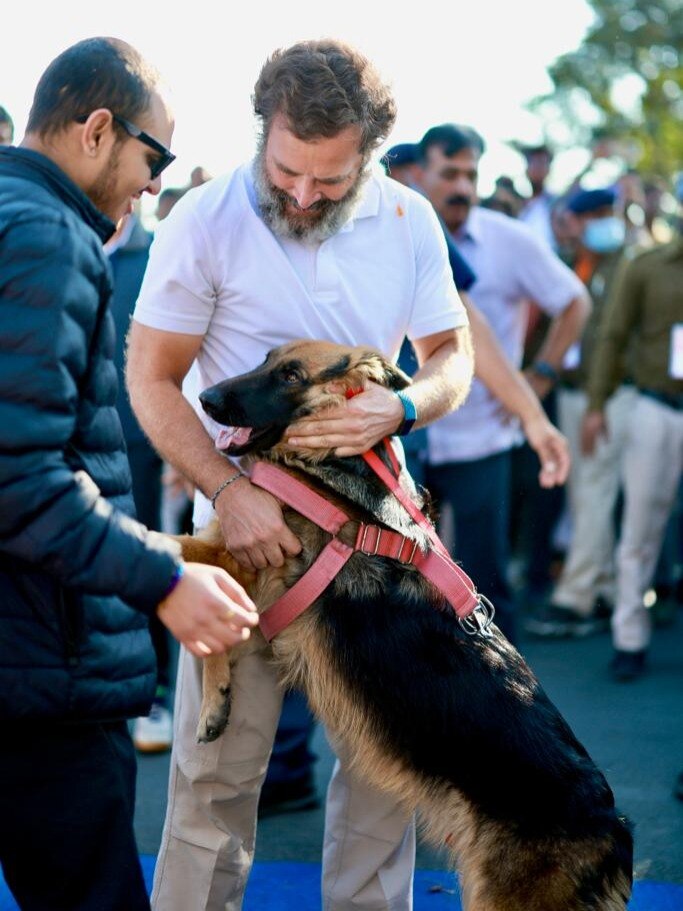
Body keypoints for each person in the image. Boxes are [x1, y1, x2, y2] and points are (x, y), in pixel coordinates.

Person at [127, 39, 475, 911]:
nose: (304, 194)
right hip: (250, 535)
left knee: (383, 785)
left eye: (331, 178)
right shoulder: (204, 217)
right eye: (286, 171)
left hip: (377, 541)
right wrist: (230, 491)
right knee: (212, 783)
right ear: (262, 130)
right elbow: (151, 377)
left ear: (370, 154)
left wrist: (404, 406)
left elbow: (451, 353)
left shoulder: (408, 218)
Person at [0, 37, 257, 911]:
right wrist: (164, 577)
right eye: (157, 158)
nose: (153, 187)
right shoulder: (46, 236)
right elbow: (20, 478)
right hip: (43, 666)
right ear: (98, 129)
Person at [415, 123, 591, 642]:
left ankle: (506, 686)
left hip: (482, 439)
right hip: (410, 439)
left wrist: (540, 378)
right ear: (421, 174)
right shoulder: (402, 235)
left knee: (484, 584)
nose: (462, 187)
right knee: (408, 588)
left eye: (470, 175)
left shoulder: (508, 240)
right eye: (449, 174)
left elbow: (574, 301)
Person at [583, 179, 683, 681]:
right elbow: (613, 334)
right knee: (640, 527)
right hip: (656, 407)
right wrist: (596, 404)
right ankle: (629, 637)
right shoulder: (647, 265)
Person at [526, 187, 637, 638]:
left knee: (592, 493)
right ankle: (604, 589)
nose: (603, 220)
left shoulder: (628, 266)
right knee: (586, 494)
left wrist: (596, 404)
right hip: (574, 394)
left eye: (606, 212)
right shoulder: (575, 265)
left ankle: (575, 597)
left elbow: (615, 341)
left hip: (605, 398)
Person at [106, 213, 175, 753]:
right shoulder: (45, 234)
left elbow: (180, 355)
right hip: (53, 436)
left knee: (142, 563)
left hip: (137, 441)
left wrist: (179, 450)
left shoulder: (155, 257)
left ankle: (153, 693)